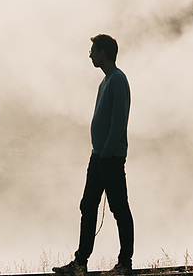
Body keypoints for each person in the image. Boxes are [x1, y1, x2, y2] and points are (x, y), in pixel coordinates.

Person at [53, 34, 134, 276]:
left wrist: (107, 151)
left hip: (108, 156)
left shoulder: (117, 80)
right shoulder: (108, 80)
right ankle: (80, 262)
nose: (90, 55)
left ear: (104, 54)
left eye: (93, 51)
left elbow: (119, 120)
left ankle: (124, 264)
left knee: (119, 209)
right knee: (88, 206)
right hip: (99, 155)